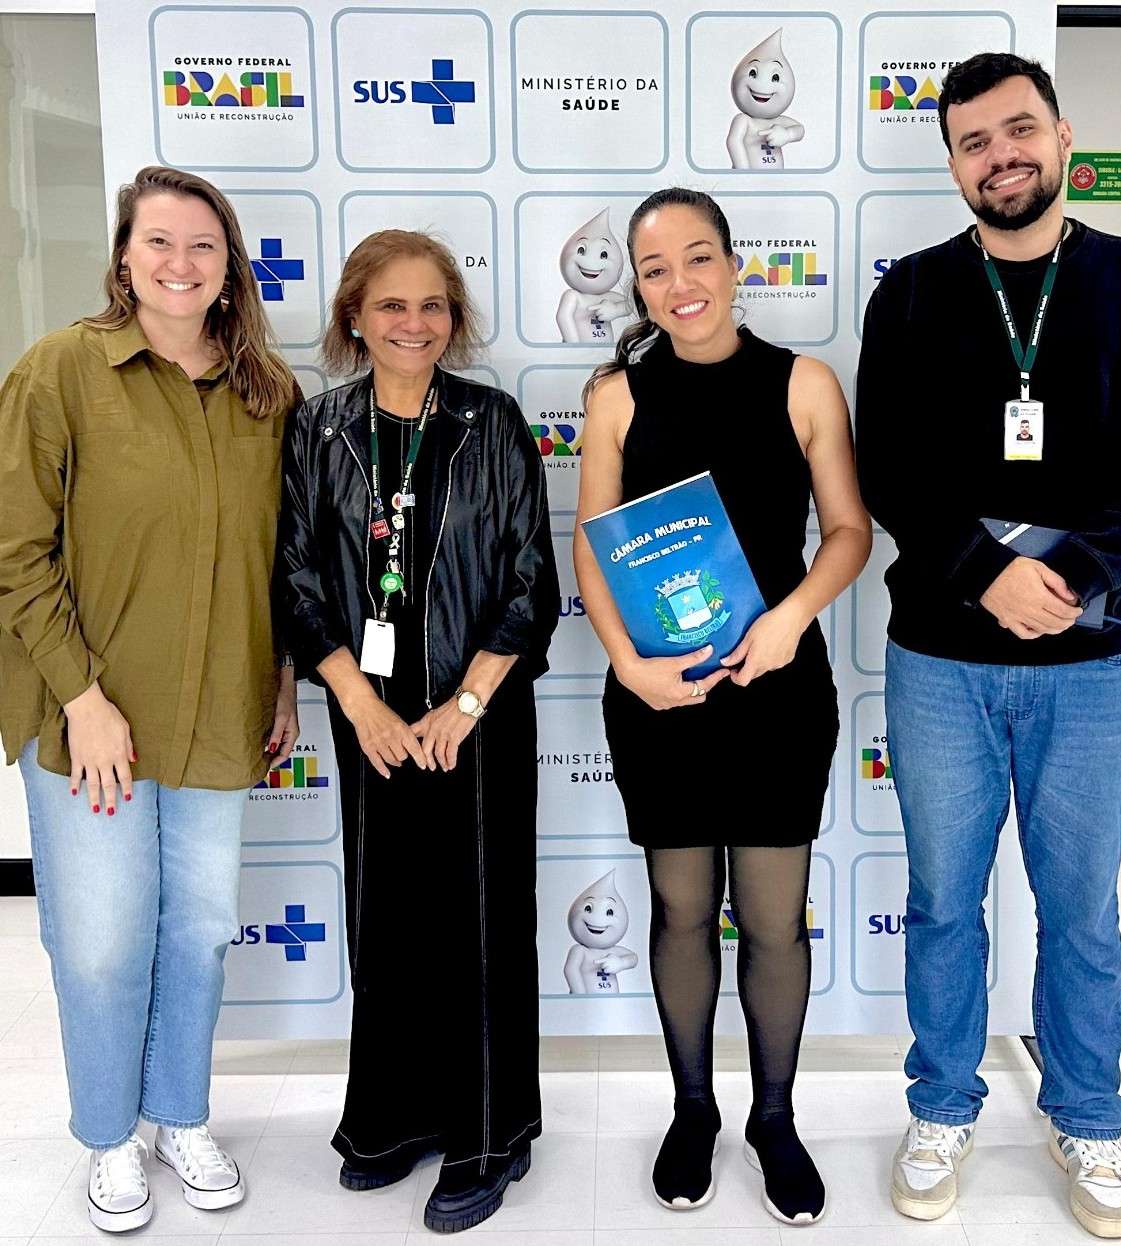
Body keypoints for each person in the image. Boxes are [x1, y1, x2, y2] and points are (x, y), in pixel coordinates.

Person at [855, 53, 1121, 1240]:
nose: (998, 155)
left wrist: (1077, 574)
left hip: (1088, 667)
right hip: (940, 663)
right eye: (972, 141)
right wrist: (983, 572)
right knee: (943, 902)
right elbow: (887, 461)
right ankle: (940, 1105)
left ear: (1059, 137)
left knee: (1081, 910)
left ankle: (1087, 1118)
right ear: (951, 163)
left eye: (1017, 130)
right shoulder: (910, 294)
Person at [0, 165, 300, 1233]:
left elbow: (279, 562)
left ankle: (179, 1115)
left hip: (219, 708)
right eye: (159, 241)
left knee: (202, 931)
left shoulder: (267, 394)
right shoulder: (60, 371)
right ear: (124, 257)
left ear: (229, 267)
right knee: (100, 940)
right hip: (89, 717)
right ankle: (107, 1135)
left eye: (203, 244)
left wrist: (281, 680)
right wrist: (82, 697)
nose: (181, 262)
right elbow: (15, 550)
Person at [574, 187, 871, 1225]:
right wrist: (627, 664)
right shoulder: (616, 395)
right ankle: (693, 1109)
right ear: (638, 285)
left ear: (734, 265)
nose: (679, 284)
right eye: (655, 269)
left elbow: (847, 530)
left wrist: (791, 618)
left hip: (778, 691)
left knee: (775, 921)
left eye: (697, 258)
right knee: (680, 910)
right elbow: (592, 542)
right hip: (661, 698)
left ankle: (774, 1117)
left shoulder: (803, 383)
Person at [275, 229, 559, 1234]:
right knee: (388, 920)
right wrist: (358, 703)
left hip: (478, 718)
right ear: (355, 317)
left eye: (432, 305)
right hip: (370, 720)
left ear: (454, 318)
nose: (414, 323)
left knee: (480, 924)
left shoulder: (492, 421)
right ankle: (393, 1119)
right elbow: (296, 578)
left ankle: (488, 1134)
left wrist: (466, 704)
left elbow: (531, 580)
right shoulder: (318, 430)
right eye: (391, 305)